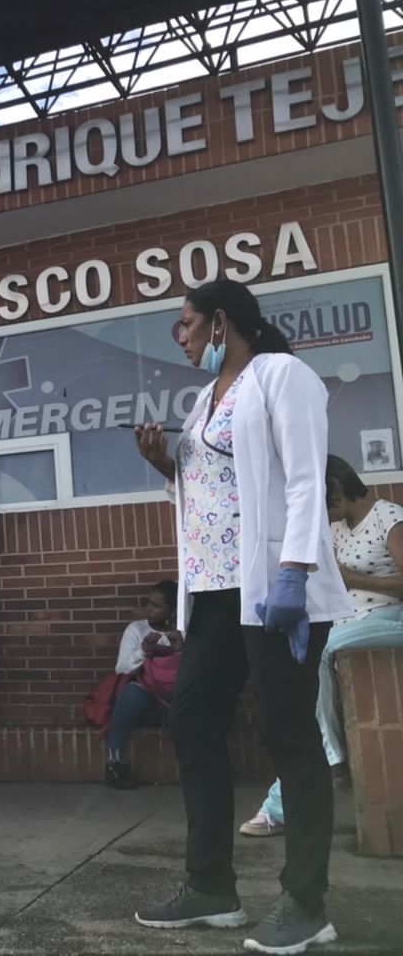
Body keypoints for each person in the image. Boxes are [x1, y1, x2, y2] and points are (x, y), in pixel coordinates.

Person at [131, 279, 352, 955]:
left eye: (186, 322)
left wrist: (294, 572)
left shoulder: (283, 376)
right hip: (215, 594)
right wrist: (165, 466)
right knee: (193, 722)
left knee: (290, 736)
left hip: (273, 589)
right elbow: (215, 489)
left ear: (221, 322)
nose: (180, 335)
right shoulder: (205, 399)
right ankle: (211, 888)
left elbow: (306, 479)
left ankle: (307, 903)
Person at [242, 456, 403, 838]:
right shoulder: (336, 528)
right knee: (306, 664)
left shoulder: (389, 517)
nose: (324, 513)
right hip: (349, 622)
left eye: (325, 501)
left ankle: (329, 760)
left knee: (322, 652)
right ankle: (290, 793)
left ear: (339, 488)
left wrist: (354, 579)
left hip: (389, 617)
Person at [105, 580, 182, 790]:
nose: (149, 609)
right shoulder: (137, 629)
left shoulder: (183, 632)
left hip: (178, 701)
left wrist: (179, 651)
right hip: (149, 705)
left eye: (156, 606)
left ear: (172, 610)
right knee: (132, 691)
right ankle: (115, 764)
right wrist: (143, 651)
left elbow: (195, 673)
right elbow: (122, 669)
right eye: (148, 603)